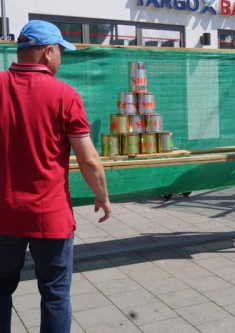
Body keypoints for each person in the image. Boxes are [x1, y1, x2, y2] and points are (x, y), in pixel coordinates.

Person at [0, 20, 111, 332]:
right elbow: (88, 160)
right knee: (55, 294)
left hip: (3, 215)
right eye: (61, 51)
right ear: (47, 52)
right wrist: (102, 196)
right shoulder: (65, 95)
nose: (61, 58)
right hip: (50, 217)